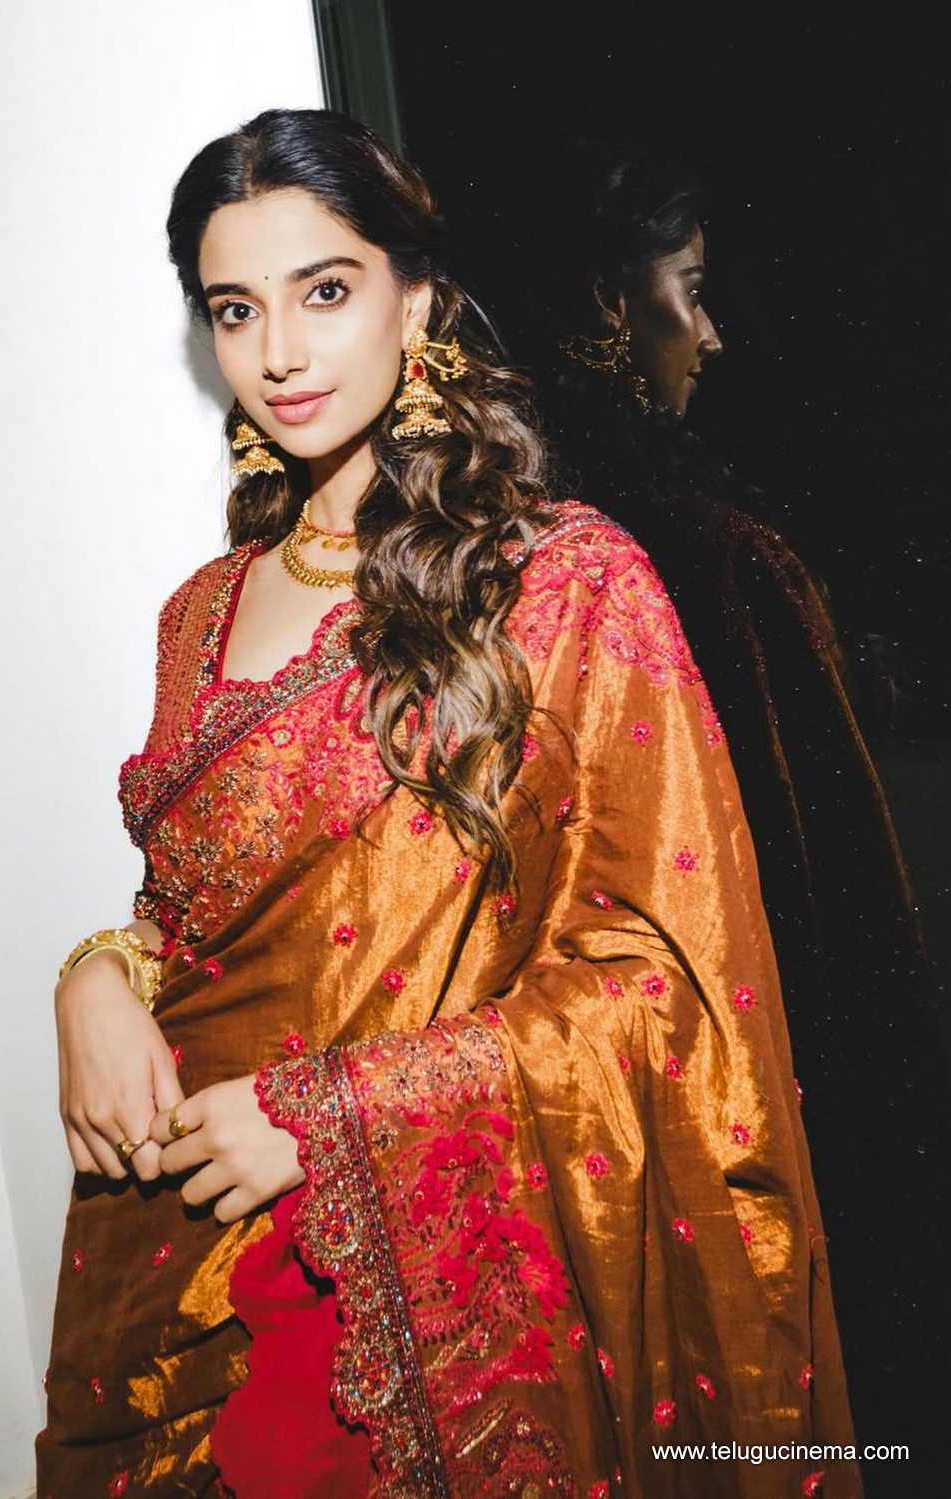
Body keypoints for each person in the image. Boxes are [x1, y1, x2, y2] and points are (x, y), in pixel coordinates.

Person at [36, 110, 859, 1498]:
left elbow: (666, 978)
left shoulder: (566, 584)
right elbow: (198, 918)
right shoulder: (198, 617)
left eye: (325, 291)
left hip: (442, 1300)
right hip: (191, 1272)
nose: (279, 353)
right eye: (235, 309)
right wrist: (97, 979)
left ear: (414, 298)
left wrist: (331, 1117)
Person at [528, 139, 951, 1485]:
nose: (710, 335)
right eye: (692, 290)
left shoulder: (521, 532)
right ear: (611, 300)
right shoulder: (702, 561)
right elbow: (842, 924)